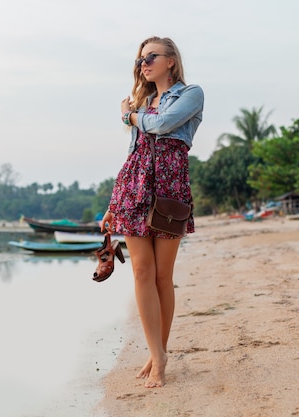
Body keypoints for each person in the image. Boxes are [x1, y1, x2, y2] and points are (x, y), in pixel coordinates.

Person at [101, 36, 204, 388]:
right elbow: (133, 155)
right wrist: (113, 204)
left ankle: (159, 351)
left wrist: (130, 115)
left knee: (163, 276)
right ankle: (157, 354)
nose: (143, 64)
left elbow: (163, 125)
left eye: (151, 57)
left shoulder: (190, 95)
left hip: (170, 188)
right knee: (142, 271)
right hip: (134, 186)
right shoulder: (141, 101)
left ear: (171, 60)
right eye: (140, 60)